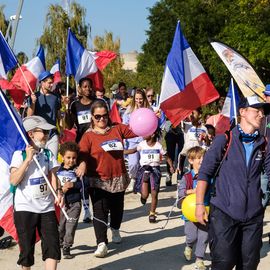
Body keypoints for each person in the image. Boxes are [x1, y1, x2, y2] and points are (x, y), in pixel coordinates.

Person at [195, 96, 270, 269]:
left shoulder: (264, 144)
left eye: (263, 111)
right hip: (224, 212)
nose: (261, 115)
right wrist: (199, 204)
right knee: (224, 262)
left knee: (249, 264)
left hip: (253, 214)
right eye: (256, 110)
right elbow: (205, 174)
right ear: (242, 112)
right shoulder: (225, 140)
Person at [77, 99, 137, 258]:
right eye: (97, 117)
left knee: (117, 209)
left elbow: (137, 130)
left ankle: (115, 229)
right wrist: (82, 164)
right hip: (98, 180)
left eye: (104, 116)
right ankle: (101, 243)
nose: (101, 119)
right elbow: (82, 154)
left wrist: (152, 118)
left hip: (118, 178)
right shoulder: (88, 136)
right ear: (92, 117)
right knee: (100, 211)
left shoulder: (118, 129)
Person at [10, 115, 63, 270]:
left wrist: (58, 192)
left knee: (52, 247)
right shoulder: (19, 155)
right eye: (43, 132)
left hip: (46, 207)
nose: (46, 135)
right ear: (31, 133)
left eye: (48, 132)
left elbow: (53, 177)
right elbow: (13, 180)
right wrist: (27, 160)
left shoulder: (48, 154)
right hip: (25, 208)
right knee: (26, 252)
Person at [65, 77, 95, 223]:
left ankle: (101, 206)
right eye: (85, 86)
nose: (88, 89)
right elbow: (69, 125)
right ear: (80, 89)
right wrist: (66, 109)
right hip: (81, 145)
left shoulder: (98, 103)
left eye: (90, 86)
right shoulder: (74, 105)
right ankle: (86, 209)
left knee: (95, 177)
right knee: (83, 178)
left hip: (96, 144)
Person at [133, 128, 174, 223]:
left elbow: (167, 157)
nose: (143, 134)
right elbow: (133, 150)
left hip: (155, 171)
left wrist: (171, 166)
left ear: (152, 135)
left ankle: (152, 213)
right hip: (144, 170)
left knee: (155, 194)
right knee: (145, 194)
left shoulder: (158, 146)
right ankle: (143, 197)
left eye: (146, 132)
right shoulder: (142, 144)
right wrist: (122, 152)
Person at [177, 146, 208, 270]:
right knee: (192, 236)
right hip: (189, 212)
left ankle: (200, 259)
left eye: (203, 158)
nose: (201, 160)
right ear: (190, 161)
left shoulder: (208, 176)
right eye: (198, 158)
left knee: (204, 236)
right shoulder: (186, 177)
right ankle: (189, 245)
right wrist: (194, 191)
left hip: (205, 210)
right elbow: (181, 192)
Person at [57, 142, 87, 259]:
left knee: (71, 226)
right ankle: (59, 241)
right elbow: (54, 184)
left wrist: (73, 184)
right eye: (68, 157)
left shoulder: (77, 170)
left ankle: (67, 247)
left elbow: (85, 183)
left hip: (75, 203)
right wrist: (60, 189)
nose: (71, 160)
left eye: (74, 158)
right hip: (62, 203)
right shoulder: (57, 170)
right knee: (61, 226)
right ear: (62, 157)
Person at [123, 88, 152, 191]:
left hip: (145, 141)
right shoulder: (129, 110)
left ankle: (143, 183)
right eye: (136, 99)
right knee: (133, 163)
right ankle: (133, 178)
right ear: (134, 99)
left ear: (144, 98)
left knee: (145, 163)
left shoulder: (149, 110)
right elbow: (124, 125)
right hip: (132, 141)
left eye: (140, 99)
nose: (139, 101)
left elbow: (152, 124)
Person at [27, 71, 61, 158]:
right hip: (38, 135)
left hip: (52, 134)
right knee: (38, 162)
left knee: (53, 161)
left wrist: (61, 129)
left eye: (52, 82)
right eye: (49, 83)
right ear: (42, 82)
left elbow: (58, 115)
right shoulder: (34, 96)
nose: (51, 85)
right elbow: (29, 116)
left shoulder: (56, 97)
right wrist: (33, 102)